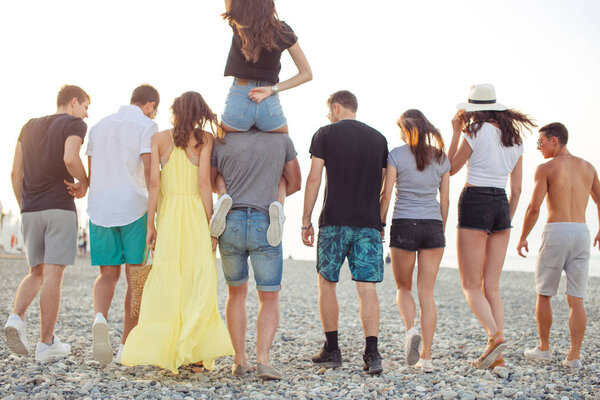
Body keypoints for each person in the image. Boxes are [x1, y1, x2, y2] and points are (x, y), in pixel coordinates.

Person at [121, 91, 234, 373]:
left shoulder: (159, 138)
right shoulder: (204, 139)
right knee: (199, 280)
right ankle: (195, 355)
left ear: (173, 111)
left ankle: (168, 351)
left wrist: (151, 225)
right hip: (195, 215)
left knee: (168, 279)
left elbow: (154, 185)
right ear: (198, 114)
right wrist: (212, 226)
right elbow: (203, 185)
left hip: (170, 216)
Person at [448, 83, 535, 372]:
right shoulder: (514, 138)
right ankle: (496, 354)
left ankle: (495, 336)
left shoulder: (474, 131)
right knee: (492, 286)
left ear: (474, 110)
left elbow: (450, 168)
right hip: (501, 204)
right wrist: (505, 220)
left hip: (475, 199)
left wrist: (456, 131)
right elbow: (519, 188)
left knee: (470, 285)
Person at [210, 0, 312, 247]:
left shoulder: (240, 24)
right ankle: (277, 202)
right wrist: (273, 90)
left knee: (218, 148)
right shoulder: (282, 30)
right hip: (268, 101)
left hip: (239, 98)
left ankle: (223, 196)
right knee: (283, 149)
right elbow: (306, 73)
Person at [302, 90, 388, 375]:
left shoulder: (325, 134)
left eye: (330, 111)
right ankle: (372, 354)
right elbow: (387, 187)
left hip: (335, 221)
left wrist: (306, 220)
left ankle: (332, 350)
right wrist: (381, 221)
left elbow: (314, 177)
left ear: (336, 107)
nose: (329, 116)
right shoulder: (379, 139)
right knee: (367, 288)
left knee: (327, 282)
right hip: (368, 223)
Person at [5, 85, 90, 361]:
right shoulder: (74, 124)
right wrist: (84, 182)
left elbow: (15, 171)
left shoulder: (28, 126)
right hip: (58, 208)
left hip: (30, 209)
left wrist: (24, 205)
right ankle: (46, 344)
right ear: (74, 102)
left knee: (36, 272)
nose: (86, 114)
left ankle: (16, 318)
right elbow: (70, 157)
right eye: (86, 106)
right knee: (53, 274)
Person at [211, 127, 301, 380]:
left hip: (231, 221)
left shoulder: (223, 139)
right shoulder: (281, 139)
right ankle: (263, 360)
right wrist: (278, 186)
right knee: (269, 297)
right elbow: (297, 181)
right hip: (264, 221)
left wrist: (221, 186)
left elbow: (208, 177)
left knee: (236, 294)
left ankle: (240, 360)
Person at [85, 84, 159, 365]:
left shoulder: (99, 126)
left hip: (100, 209)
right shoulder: (146, 126)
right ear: (151, 105)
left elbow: (93, 173)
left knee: (107, 274)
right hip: (134, 208)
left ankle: (100, 318)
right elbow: (151, 172)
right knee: (136, 278)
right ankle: (126, 346)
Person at [517, 122, 600, 370]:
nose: (539, 147)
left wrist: (522, 237)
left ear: (555, 140)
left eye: (540, 142)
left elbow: (534, 207)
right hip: (581, 232)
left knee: (545, 292)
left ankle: (543, 349)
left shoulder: (546, 168)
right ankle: (573, 357)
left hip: (557, 232)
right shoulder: (588, 167)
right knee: (577, 298)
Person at [379, 109, 450, 373]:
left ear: (406, 128)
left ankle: (410, 331)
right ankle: (427, 358)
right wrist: (441, 229)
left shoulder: (396, 155)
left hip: (404, 223)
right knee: (427, 294)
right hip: (433, 225)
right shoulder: (441, 158)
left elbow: (386, 195)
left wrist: (381, 223)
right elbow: (445, 200)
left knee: (403, 288)